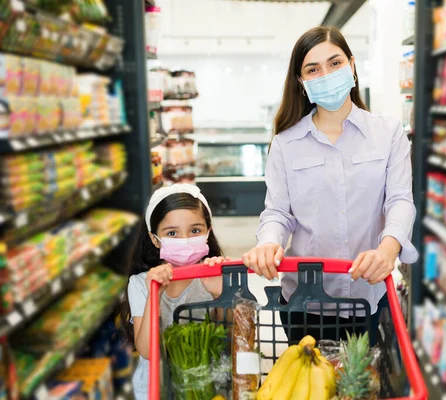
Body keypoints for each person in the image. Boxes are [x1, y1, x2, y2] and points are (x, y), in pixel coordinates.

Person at [242, 26, 418, 343]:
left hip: (368, 293)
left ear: (351, 65)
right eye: (313, 69)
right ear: (301, 81)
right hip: (304, 301)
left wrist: (388, 249)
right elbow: (278, 213)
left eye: (335, 63)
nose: (326, 74)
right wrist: (269, 242)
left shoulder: (387, 133)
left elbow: (400, 201)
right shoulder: (286, 143)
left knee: (363, 388)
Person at [120, 184, 228, 399]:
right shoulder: (141, 284)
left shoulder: (214, 277)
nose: (185, 240)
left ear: (209, 230)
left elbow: (231, 338)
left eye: (195, 230)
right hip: (157, 388)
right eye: (172, 233)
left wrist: (220, 294)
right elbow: (148, 350)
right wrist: (154, 296)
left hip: (207, 384)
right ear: (154, 238)